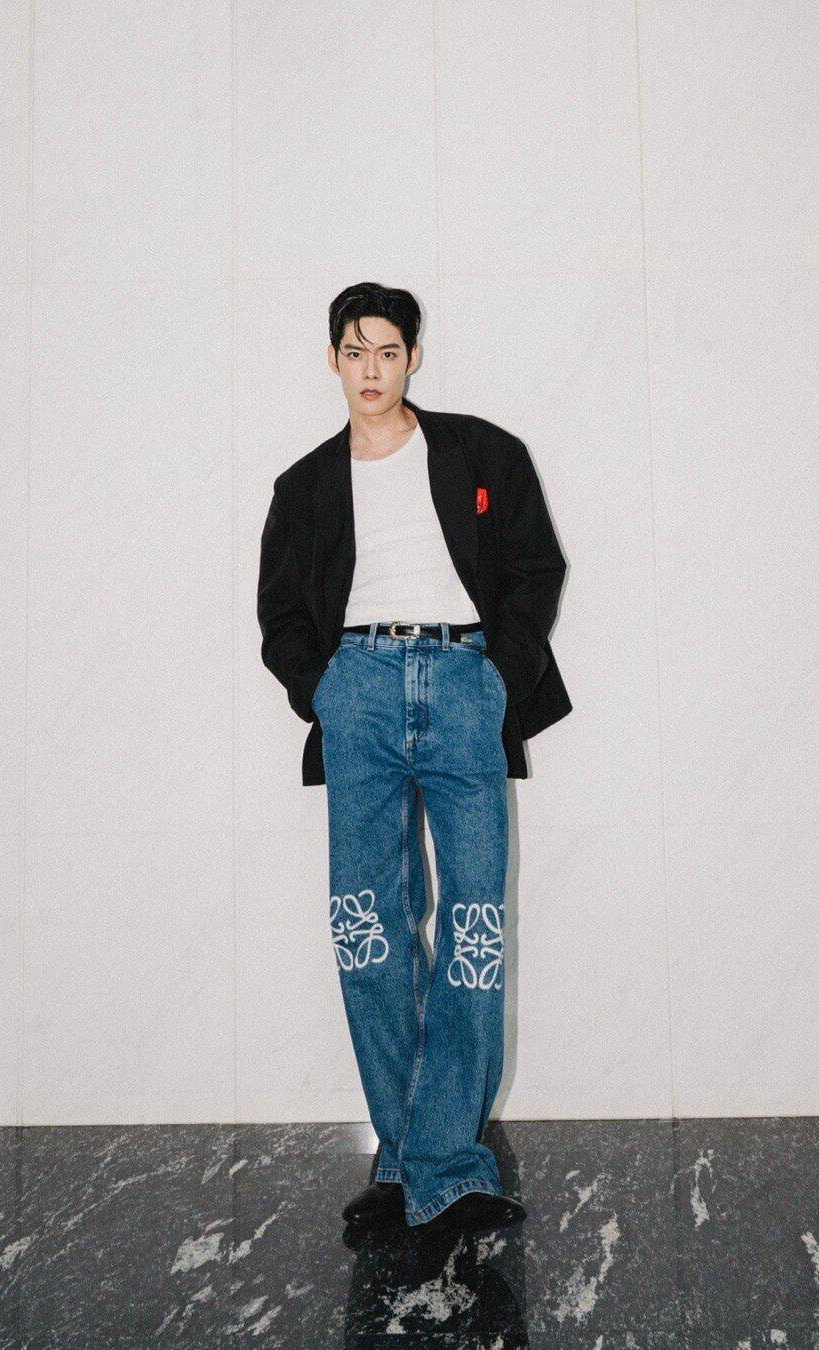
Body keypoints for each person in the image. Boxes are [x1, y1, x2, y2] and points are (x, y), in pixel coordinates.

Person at [257, 281, 572, 1233]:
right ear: (332, 360)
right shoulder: (304, 487)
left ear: (413, 358)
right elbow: (280, 614)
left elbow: (536, 567)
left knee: (474, 925)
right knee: (368, 927)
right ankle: (416, 1159)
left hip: (464, 680)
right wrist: (323, 689)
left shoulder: (483, 453)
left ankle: (431, 1161)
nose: (371, 370)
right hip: (356, 687)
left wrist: (499, 679)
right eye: (354, 352)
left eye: (387, 352)